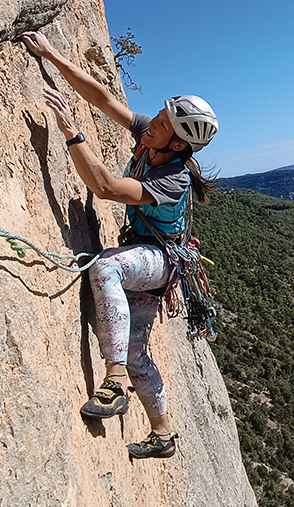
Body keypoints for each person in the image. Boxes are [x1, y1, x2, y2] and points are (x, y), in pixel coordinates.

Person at [20, 30, 218, 459]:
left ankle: (113, 384)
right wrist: (50, 53)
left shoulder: (173, 178)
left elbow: (106, 187)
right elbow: (104, 99)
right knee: (137, 352)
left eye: (163, 124)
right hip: (151, 259)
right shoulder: (157, 138)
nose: (152, 123)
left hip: (161, 261)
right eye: (160, 117)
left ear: (180, 144)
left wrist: (72, 134)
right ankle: (163, 432)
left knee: (104, 267)